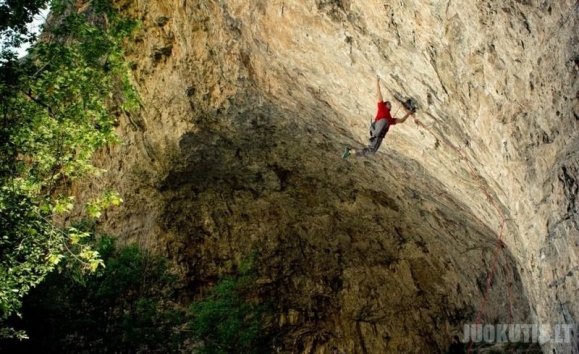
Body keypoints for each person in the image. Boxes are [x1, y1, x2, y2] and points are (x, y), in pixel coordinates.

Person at [342, 76, 412, 158]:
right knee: (373, 146)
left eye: (390, 105)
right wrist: (377, 83)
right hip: (378, 129)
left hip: (380, 134)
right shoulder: (382, 108)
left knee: (372, 151)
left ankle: (351, 151)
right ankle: (369, 140)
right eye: (388, 103)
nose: (390, 105)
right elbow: (379, 95)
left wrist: (408, 113)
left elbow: (401, 121)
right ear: (385, 104)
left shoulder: (390, 119)